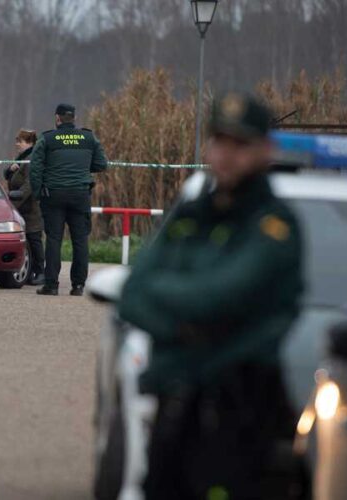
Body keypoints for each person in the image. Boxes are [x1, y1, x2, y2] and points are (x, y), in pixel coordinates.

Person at [117, 93, 305, 499]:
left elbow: (219, 297)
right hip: (178, 407)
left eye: (241, 144)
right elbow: (134, 293)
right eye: (220, 141)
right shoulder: (191, 214)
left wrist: (172, 308)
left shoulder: (274, 226)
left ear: (265, 150)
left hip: (241, 413)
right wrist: (192, 321)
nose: (227, 154)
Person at [30, 104, 108, 296]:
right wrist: (81, 168)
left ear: (57, 118)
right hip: (80, 195)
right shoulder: (88, 138)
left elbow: (35, 168)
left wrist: (37, 193)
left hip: (53, 195)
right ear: (74, 118)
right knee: (80, 240)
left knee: (54, 239)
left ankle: (51, 285)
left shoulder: (47, 138)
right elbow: (101, 164)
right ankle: (78, 286)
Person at [4, 129, 45, 286]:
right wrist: (9, 170)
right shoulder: (21, 159)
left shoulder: (32, 159)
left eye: (20, 141)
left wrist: (12, 206)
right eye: (17, 140)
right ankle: (29, 273)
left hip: (31, 208)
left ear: (30, 143)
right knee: (26, 241)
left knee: (34, 240)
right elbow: (7, 174)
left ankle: (40, 272)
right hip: (20, 207)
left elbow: (29, 186)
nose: (17, 144)